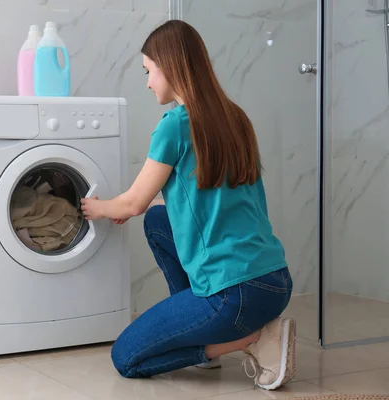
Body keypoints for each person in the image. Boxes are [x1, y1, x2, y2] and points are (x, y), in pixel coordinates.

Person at [80, 20, 295, 391]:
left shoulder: (174, 125)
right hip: (275, 281)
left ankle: (248, 341)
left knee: (126, 357)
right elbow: (198, 193)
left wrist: (95, 208)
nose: (148, 83)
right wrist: (126, 207)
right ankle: (207, 326)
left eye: (149, 71)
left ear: (170, 66)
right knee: (158, 220)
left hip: (234, 295)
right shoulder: (235, 117)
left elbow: (132, 203)